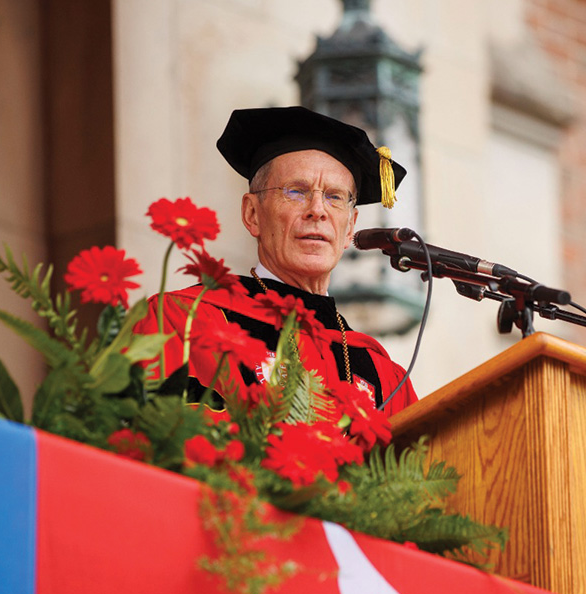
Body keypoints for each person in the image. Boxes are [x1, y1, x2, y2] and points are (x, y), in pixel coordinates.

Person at [135, 106, 418, 415]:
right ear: (252, 214)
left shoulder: (384, 375)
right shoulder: (186, 321)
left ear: (350, 226)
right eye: (296, 191)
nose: (318, 211)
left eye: (335, 197)